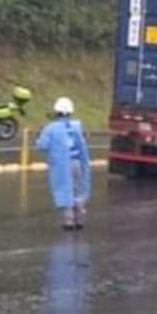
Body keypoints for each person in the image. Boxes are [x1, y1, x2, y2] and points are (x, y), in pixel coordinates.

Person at [36, 96, 92, 230]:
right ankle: (80, 218)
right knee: (78, 189)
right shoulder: (76, 126)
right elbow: (82, 144)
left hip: (61, 165)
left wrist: (39, 139)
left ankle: (69, 221)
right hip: (77, 163)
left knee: (64, 190)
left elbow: (42, 146)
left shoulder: (51, 128)